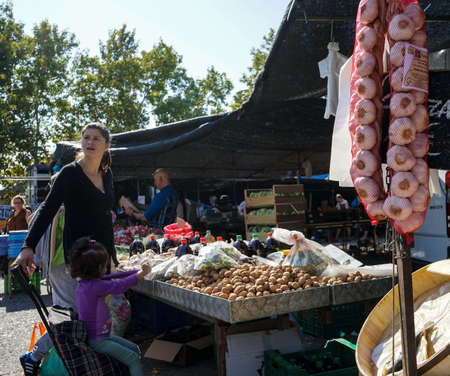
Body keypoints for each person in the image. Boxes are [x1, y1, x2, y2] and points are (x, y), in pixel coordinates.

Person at [12, 122, 117, 376]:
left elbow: (105, 218)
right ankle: (35, 355)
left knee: (89, 315)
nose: (90, 142)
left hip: (98, 257)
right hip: (74, 257)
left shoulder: (107, 174)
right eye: (86, 138)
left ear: (106, 144)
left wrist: (112, 257)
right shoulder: (70, 174)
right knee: (79, 315)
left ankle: (85, 361)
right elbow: (47, 210)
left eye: (96, 138)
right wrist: (28, 246)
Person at [69, 237, 151, 376]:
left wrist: (135, 271)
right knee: (133, 358)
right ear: (97, 269)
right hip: (98, 340)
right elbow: (120, 285)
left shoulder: (85, 283)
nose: (106, 268)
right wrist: (141, 274)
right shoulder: (96, 286)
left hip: (102, 336)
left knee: (134, 349)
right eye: (104, 265)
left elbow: (117, 276)